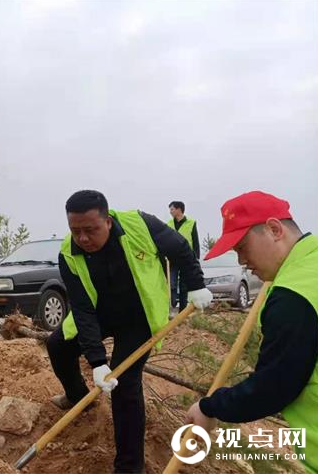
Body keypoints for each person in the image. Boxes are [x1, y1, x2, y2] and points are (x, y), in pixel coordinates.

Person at [47, 190, 211, 473]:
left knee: (124, 383)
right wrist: (97, 362)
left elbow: (181, 249)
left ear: (108, 221)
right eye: (76, 231)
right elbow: (83, 309)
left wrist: (196, 284)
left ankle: (129, 467)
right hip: (99, 313)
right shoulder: (68, 252)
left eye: (90, 230)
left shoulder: (140, 225)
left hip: (139, 317)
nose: (83, 238)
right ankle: (77, 397)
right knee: (58, 346)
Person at [186, 191, 318, 474]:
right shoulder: (313, 265)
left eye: (242, 247)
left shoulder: (293, 294)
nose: (242, 261)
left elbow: (275, 385)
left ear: (274, 229)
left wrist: (210, 407)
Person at [167, 201, 200, 311]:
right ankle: (172, 305)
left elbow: (195, 241)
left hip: (187, 258)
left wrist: (196, 258)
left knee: (183, 286)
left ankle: (182, 309)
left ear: (179, 209)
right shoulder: (169, 224)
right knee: (171, 283)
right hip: (173, 258)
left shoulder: (191, 222)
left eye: (172, 209)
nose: (170, 212)